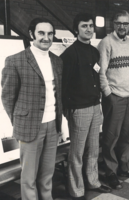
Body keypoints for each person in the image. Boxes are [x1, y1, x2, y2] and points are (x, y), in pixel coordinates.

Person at [1, 18, 63, 200]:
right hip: (29, 127)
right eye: (41, 33)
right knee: (28, 177)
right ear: (31, 34)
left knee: (47, 173)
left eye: (50, 33)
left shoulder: (57, 61)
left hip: (52, 125)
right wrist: (20, 121)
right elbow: (7, 96)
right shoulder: (16, 60)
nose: (46, 37)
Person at [60, 13, 111, 200]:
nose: (89, 29)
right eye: (84, 26)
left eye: (91, 26)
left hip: (94, 106)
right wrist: (68, 110)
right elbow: (64, 86)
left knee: (93, 148)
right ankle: (76, 189)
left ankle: (93, 181)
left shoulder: (94, 52)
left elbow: (96, 77)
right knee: (77, 152)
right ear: (76, 29)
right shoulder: (69, 55)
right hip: (78, 109)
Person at [98, 10, 129, 189]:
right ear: (113, 24)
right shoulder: (106, 43)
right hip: (115, 97)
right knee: (111, 136)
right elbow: (101, 72)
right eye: (119, 23)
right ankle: (110, 172)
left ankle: (124, 167)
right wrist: (108, 93)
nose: (122, 26)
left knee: (127, 135)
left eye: (126, 24)